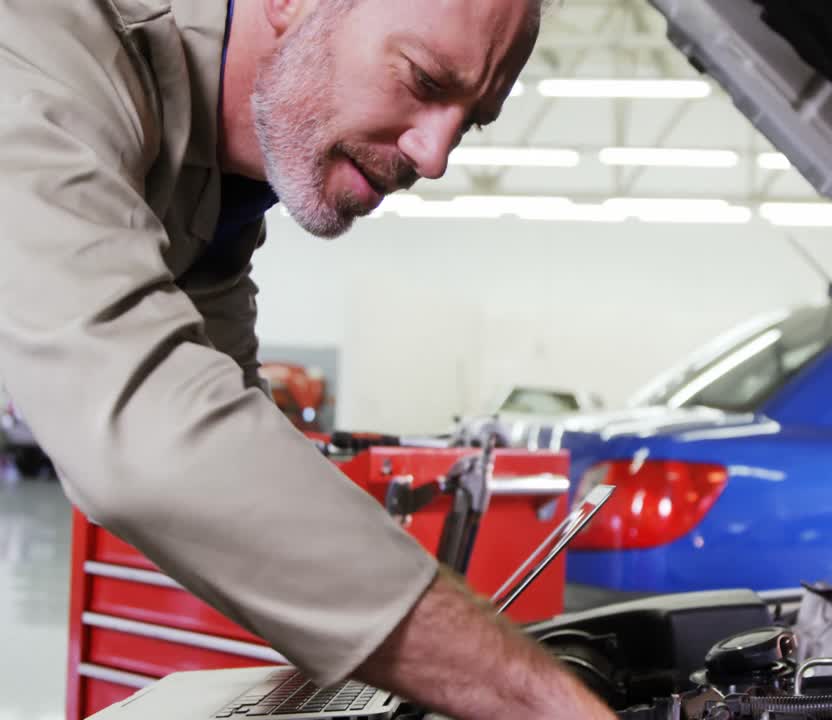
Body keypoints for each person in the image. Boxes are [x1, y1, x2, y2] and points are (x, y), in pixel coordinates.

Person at [0, 0, 614, 717]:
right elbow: (147, 438)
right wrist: (541, 700)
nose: (436, 156)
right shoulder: (41, 51)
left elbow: (231, 453)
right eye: (424, 80)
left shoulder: (220, 190)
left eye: (469, 120)